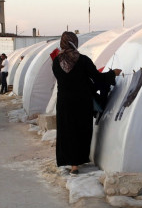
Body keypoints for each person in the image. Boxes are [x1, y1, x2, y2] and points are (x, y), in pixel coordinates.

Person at [52, 31, 121, 175]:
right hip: (82, 102)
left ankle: (72, 164)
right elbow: (97, 78)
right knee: (80, 130)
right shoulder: (83, 60)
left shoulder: (56, 62)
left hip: (64, 102)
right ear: (74, 42)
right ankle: (77, 162)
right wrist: (112, 74)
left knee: (67, 131)